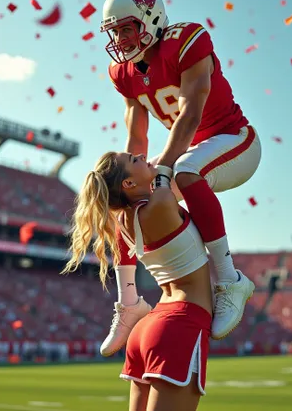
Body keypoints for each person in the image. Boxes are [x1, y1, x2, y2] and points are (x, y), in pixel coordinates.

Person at [99, 0, 261, 355]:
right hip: (188, 152)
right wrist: (129, 183)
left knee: (187, 170)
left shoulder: (186, 40)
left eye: (127, 28)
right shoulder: (123, 73)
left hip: (234, 140)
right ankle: (129, 301)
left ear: (150, 19)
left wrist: (165, 168)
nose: (121, 39)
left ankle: (229, 279)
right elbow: (136, 139)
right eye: (115, 31)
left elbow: (190, 112)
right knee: (122, 200)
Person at [62, 151, 214, 411]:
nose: (144, 155)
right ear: (128, 184)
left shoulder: (124, 220)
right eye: (135, 160)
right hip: (180, 323)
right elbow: (177, 161)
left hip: (148, 328)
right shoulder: (162, 201)